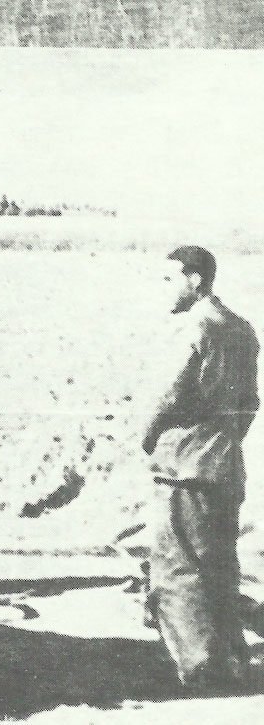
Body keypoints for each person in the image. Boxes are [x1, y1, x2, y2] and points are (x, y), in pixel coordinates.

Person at [143, 245, 259, 690]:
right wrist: (223, 442)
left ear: (194, 280)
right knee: (219, 565)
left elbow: (168, 397)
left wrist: (147, 438)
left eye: (167, 279)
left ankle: (203, 670)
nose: (162, 290)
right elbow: (249, 403)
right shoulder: (242, 329)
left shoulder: (194, 329)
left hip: (182, 467)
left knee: (178, 567)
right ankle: (232, 660)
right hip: (225, 465)